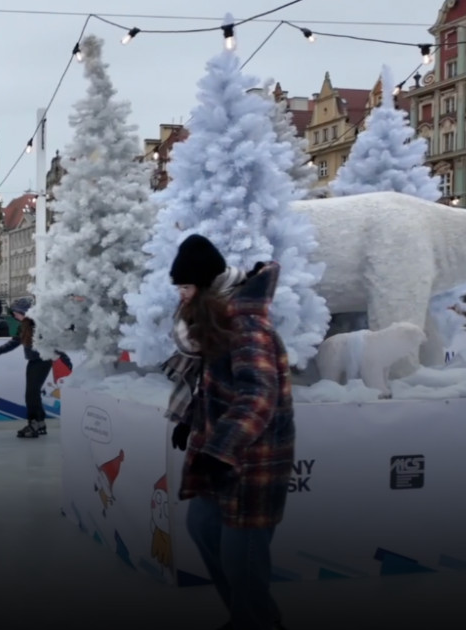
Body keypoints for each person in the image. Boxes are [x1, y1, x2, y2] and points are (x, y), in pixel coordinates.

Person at [167, 234, 295, 630]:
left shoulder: (245, 326)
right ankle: (248, 619)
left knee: (244, 559)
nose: (182, 296)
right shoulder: (220, 321)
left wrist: (220, 450)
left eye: (187, 287)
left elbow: (258, 395)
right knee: (202, 528)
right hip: (223, 455)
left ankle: (255, 621)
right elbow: (216, 383)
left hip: (252, 460)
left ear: (207, 287)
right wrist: (191, 419)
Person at [0, 298, 70, 438]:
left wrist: (65, 360)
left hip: (42, 360)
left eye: (16, 313)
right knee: (33, 393)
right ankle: (40, 422)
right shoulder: (24, 325)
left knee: (31, 393)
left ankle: (33, 424)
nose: (14, 316)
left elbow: (54, 344)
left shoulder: (39, 326)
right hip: (34, 361)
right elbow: (14, 342)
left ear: (23, 312)